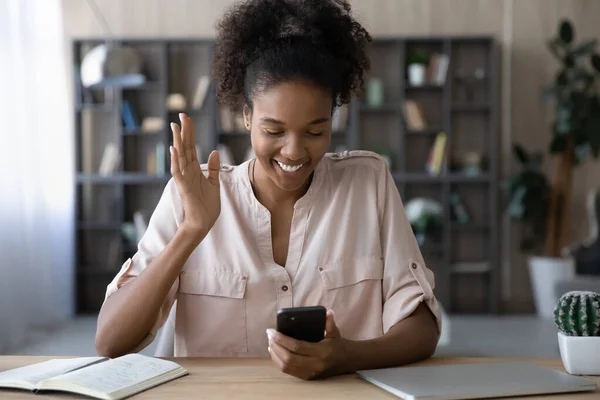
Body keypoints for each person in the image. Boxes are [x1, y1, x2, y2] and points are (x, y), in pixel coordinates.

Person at [95, 0, 442, 380]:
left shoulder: (368, 184)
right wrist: (192, 229)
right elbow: (111, 342)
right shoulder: (189, 195)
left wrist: (348, 355)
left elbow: (422, 328)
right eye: (274, 131)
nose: (294, 151)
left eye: (315, 131)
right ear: (246, 116)